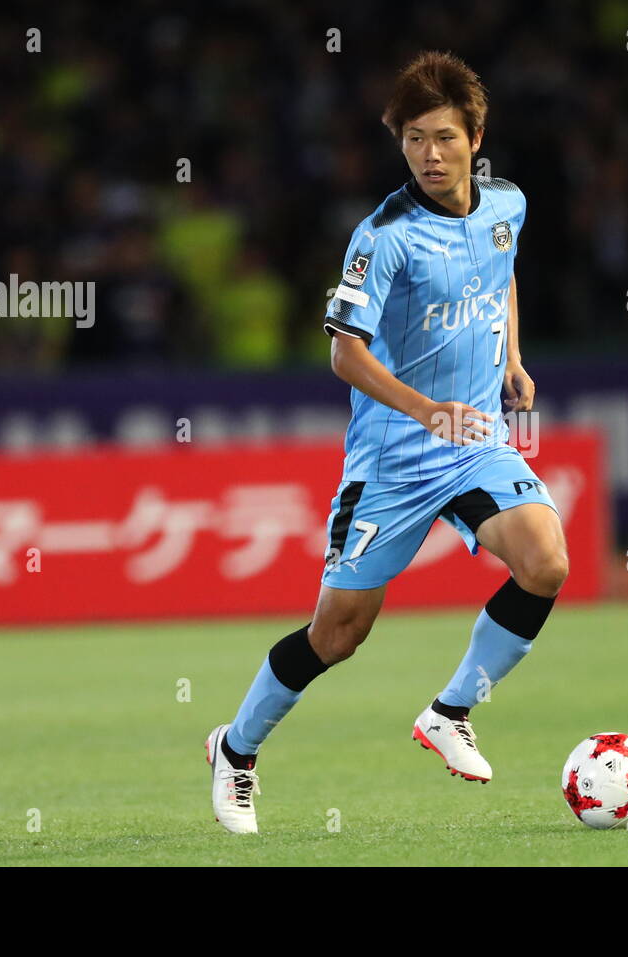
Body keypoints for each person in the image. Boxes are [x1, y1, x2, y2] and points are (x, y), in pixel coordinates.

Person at [205, 51, 569, 834]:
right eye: (412, 139)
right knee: (338, 633)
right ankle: (235, 750)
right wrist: (425, 409)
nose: (429, 155)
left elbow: (499, 271)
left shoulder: (508, 204)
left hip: (475, 443)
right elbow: (344, 352)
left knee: (546, 560)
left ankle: (452, 710)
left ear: (477, 135)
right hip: (394, 461)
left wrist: (509, 356)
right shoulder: (384, 236)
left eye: (442, 137)